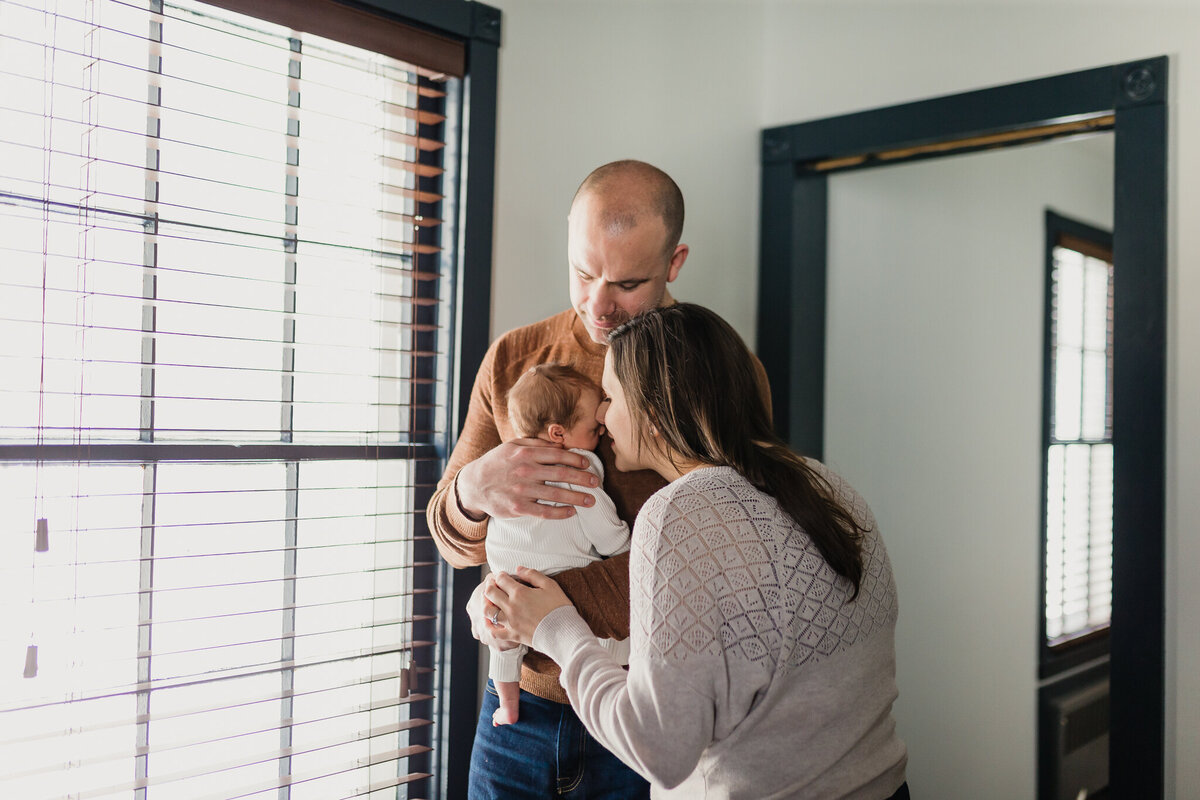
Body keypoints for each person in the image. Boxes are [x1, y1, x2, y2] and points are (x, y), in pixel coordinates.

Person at [483, 304, 910, 799]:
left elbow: (657, 749)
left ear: (655, 412)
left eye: (611, 396)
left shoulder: (679, 515)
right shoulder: (829, 486)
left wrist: (555, 627)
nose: (601, 414)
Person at [427, 159, 694, 799]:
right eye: (582, 273)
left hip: (640, 709)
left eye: (627, 283)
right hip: (517, 713)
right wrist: (471, 492)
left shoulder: (709, 374)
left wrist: (536, 609)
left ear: (674, 262)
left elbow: (711, 558)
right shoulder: (516, 358)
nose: (598, 305)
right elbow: (451, 539)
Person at [486, 363, 631, 727]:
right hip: (556, 591)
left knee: (503, 643)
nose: (600, 429)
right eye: (592, 428)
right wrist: (627, 543)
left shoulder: (505, 468)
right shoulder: (578, 473)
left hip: (507, 586)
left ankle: (507, 706)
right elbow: (608, 536)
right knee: (617, 649)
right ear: (558, 434)